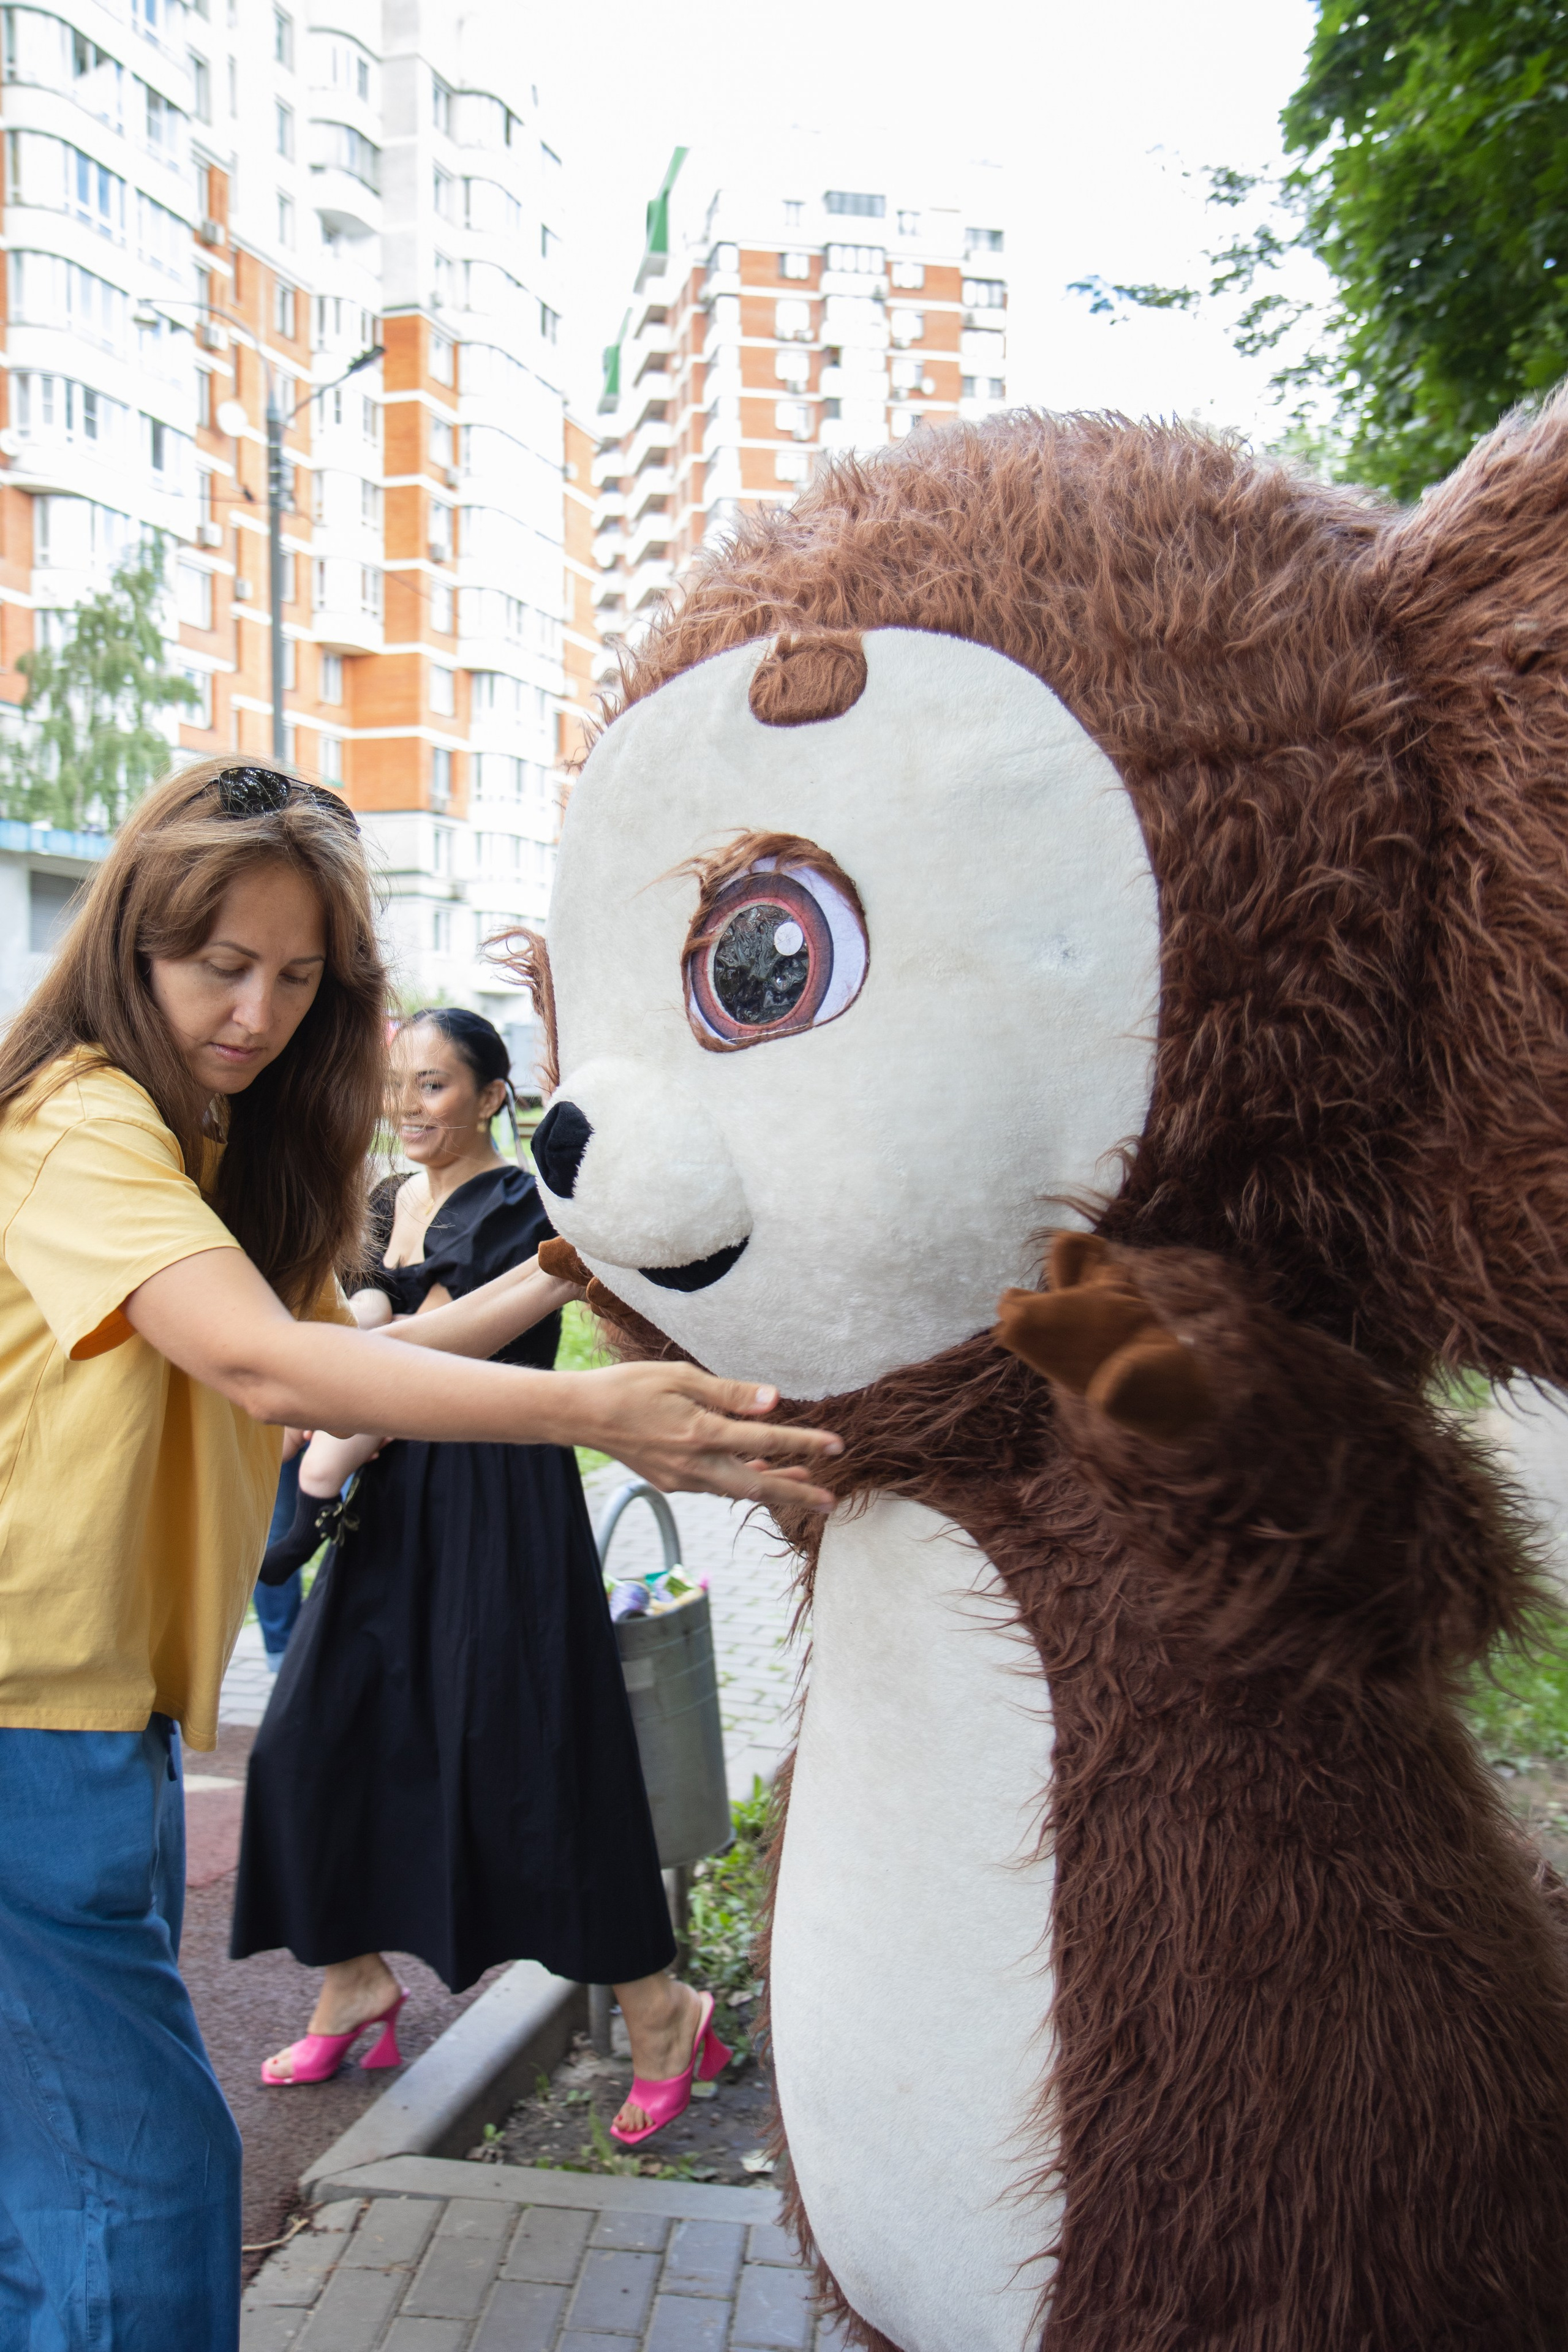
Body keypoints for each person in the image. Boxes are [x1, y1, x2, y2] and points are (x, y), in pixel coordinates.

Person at [0, 760, 839, 2352]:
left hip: (83, 1729)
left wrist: (580, 1303)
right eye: (218, 965)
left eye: (300, 978)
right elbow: (274, 1371)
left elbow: (373, 1350)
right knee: (141, 2203)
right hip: (25, 1732)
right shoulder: (82, 1120)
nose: (257, 1012)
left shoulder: (191, 1151)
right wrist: (601, 1408)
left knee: (66, 2212)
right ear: (131, 941)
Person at [234, 1006, 718, 2143]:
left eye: (437, 1085)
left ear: (495, 1093)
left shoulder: (530, 1206)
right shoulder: (381, 1202)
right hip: (387, 1514)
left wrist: (347, 1367)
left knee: (541, 1763)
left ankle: (662, 2012)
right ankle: (353, 1979)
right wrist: (353, 1350)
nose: (409, 1105)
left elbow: (440, 1346)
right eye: (398, 1084)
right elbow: (357, 1315)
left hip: (501, 1503)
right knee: (307, 1743)